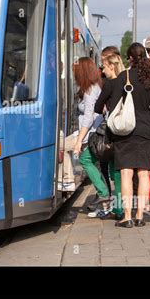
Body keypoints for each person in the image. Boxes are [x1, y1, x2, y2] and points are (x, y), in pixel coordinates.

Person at [95, 43, 150, 228]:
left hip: (125, 132)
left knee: (126, 174)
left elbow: (113, 109)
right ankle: (141, 215)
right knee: (143, 175)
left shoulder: (123, 77)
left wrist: (108, 136)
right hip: (147, 132)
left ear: (130, 59)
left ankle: (127, 216)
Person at [60, 58, 111, 209]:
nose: (74, 76)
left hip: (91, 133)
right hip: (92, 132)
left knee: (61, 147)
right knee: (90, 161)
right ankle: (103, 195)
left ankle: (68, 181)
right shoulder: (96, 87)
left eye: (76, 72)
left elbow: (88, 118)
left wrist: (78, 141)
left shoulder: (90, 90)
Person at [90, 52, 126, 220]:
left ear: (112, 66)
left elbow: (97, 107)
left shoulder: (110, 84)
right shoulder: (126, 81)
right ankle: (120, 209)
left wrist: (105, 107)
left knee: (113, 171)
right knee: (119, 172)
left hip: (112, 131)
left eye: (103, 67)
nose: (102, 71)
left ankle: (116, 208)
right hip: (127, 131)